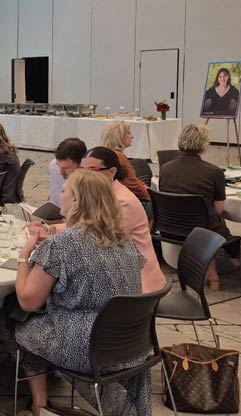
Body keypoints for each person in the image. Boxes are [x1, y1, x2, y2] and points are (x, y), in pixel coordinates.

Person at [7, 170, 150, 416]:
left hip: (87, 346)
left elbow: (28, 300)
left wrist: (24, 255)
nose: (59, 194)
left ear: (77, 201)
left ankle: (39, 403)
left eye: (65, 190)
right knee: (41, 321)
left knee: (17, 320)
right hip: (130, 343)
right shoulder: (124, 240)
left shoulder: (63, 244)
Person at [81, 147, 166, 292]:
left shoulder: (122, 202)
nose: (84, 177)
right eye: (82, 170)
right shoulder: (102, 194)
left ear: (112, 172)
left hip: (136, 280)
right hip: (117, 268)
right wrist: (51, 229)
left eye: (92, 171)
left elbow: (99, 241)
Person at [159, 124, 233, 288]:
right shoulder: (214, 172)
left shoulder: (165, 169)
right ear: (204, 144)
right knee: (217, 222)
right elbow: (219, 209)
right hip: (203, 230)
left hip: (170, 227)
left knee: (206, 220)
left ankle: (213, 268)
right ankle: (221, 268)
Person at [100, 121, 149, 201]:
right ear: (119, 136)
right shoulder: (118, 156)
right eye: (128, 133)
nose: (132, 136)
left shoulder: (104, 152)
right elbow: (133, 184)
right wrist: (152, 197)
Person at [48, 138, 87, 207]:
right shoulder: (53, 166)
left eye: (65, 168)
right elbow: (53, 198)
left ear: (81, 164)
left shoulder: (92, 180)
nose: (60, 172)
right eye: (58, 166)